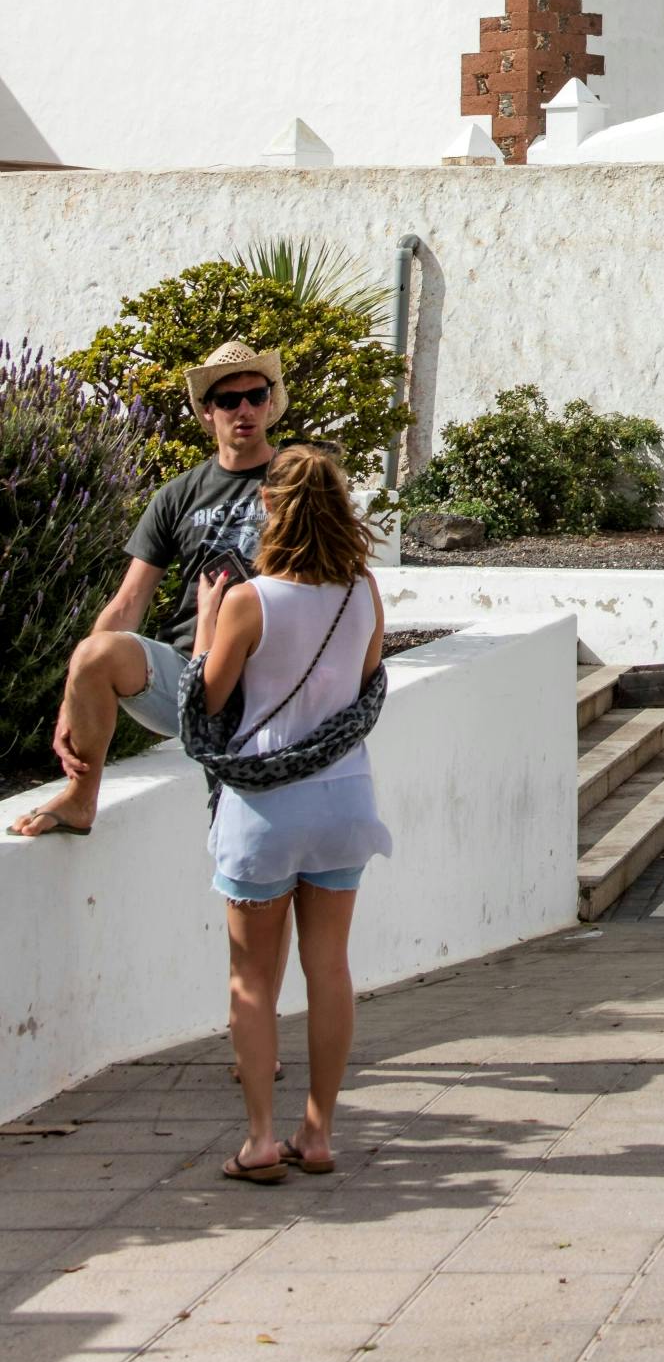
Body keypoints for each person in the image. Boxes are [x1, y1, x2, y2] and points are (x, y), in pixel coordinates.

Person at [198, 443, 390, 1184]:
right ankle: (317, 1134)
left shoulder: (251, 599)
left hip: (265, 808)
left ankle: (258, 1139)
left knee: (253, 978)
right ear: (341, 508)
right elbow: (365, 687)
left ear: (269, 508)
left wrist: (212, 623)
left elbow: (211, 701)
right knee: (329, 968)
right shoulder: (363, 591)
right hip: (345, 798)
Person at [10, 340, 284, 839]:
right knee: (96, 653)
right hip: (189, 673)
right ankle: (79, 798)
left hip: (274, 673)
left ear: (270, 402)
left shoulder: (296, 481)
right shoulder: (178, 494)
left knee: (246, 837)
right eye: (228, 400)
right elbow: (129, 601)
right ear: (207, 413)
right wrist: (74, 695)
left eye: (256, 395)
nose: (244, 409)